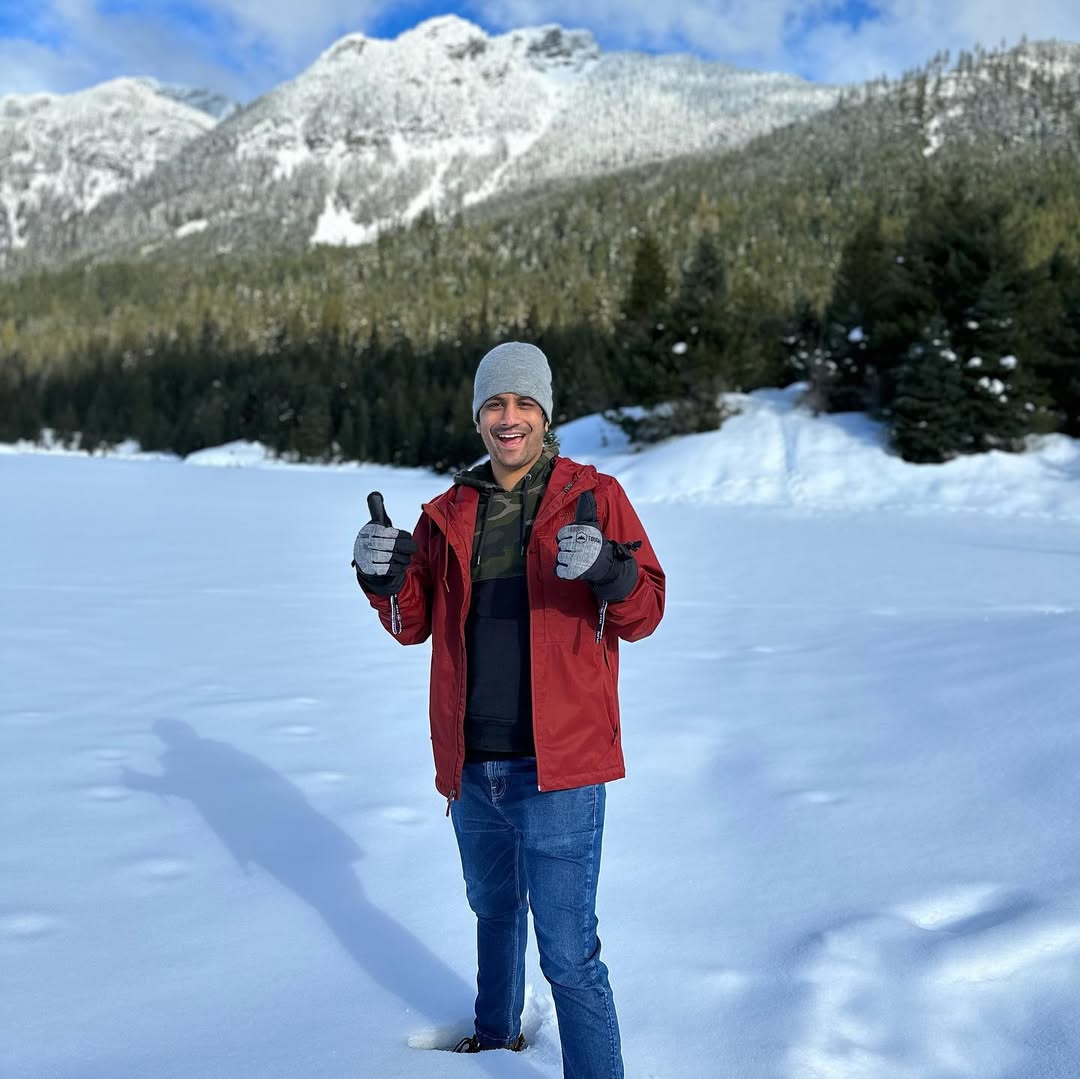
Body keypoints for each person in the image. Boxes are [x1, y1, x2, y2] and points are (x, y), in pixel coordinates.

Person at [352, 341, 665, 1078]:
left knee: (569, 953)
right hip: (473, 764)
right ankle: (494, 1040)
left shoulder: (596, 495)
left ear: (545, 414)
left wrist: (612, 570)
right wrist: (382, 577)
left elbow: (644, 612)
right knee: (493, 908)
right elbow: (411, 622)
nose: (510, 417)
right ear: (479, 416)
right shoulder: (448, 511)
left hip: (561, 768)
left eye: (524, 403)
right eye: (496, 403)